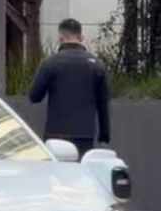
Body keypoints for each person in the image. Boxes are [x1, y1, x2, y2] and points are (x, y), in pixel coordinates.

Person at [29, 18, 111, 156]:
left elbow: (34, 97)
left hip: (55, 135)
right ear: (81, 38)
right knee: (81, 168)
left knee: (57, 169)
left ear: (60, 38)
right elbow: (103, 103)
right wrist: (104, 135)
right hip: (85, 135)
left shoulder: (50, 63)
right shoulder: (97, 65)